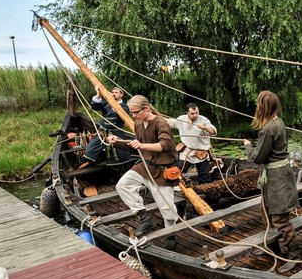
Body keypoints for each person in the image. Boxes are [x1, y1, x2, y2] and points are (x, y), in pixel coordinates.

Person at [244, 91, 300, 273]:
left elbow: (258, 158)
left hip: (277, 178)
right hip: (278, 175)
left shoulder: (268, 128)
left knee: (280, 219)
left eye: (258, 104)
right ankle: (273, 248)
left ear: (263, 107)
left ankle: (294, 256)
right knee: (266, 212)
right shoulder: (279, 121)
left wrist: (247, 147)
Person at [108, 95, 179, 235]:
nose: (134, 116)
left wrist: (142, 145)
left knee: (168, 212)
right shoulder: (138, 124)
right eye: (132, 113)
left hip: (162, 170)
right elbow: (138, 148)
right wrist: (117, 142)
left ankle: (171, 235)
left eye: (136, 112)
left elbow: (164, 145)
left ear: (146, 108)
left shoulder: (161, 123)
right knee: (122, 185)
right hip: (144, 167)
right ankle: (145, 218)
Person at [79, 85, 131, 168]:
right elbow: (94, 106)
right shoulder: (106, 103)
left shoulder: (125, 106)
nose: (113, 94)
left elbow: (120, 111)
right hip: (103, 131)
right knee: (90, 150)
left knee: (121, 154)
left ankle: (121, 168)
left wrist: (111, 100)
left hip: (116, 133)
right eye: (113, 92)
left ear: (121, 95)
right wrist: (99, 94)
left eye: (116, 92)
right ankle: (89, 160)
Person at [167, 103, 217, 184]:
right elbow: (170, 122)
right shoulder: (182, 119)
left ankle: (204, 193)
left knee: (205, 176)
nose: (195, 115)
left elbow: (213, 131)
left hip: (201, 152)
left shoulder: (204, 120)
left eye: (197, 113)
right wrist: (156, 117)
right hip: (187, 151)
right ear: (187, 112)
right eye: (192, 113)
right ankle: (175, 186)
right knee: (178, 171)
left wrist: (205, 127)